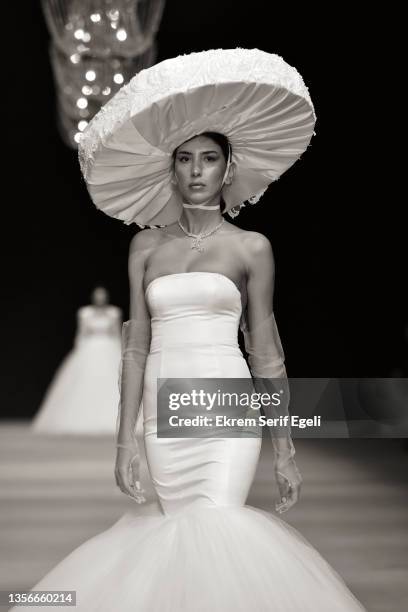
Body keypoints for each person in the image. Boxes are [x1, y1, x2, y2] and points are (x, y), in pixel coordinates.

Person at [13, 49, 366, 611]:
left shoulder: (252, 247)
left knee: (221, 526)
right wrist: (124, 436)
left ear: (229, 168)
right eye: (184, 159)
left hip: (225, 404)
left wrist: (284, 447)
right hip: (163, 409)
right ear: (171, 168)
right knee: (180, 537)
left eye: (208, 158)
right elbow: (134, 346)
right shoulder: (145, 246)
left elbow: (266, 349)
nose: (196, 171)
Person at [32, 286, 122, 435]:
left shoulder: (114, 312)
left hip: (109, 348)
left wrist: (120, 351)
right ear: (93, 297)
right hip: (89, 349)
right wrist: (79, 351)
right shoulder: (84, 313)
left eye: (103, 296)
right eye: (98, 296)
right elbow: (81, 333)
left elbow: (117, 333)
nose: (100, 299)